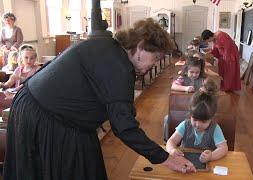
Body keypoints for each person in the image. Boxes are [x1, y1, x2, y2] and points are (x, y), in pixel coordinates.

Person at [3, 18, 196, 180]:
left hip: (37, 104)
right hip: (44, 115)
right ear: (140, 47)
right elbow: (124, 127)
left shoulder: (110, 46)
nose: (154, 64)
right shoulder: (119, 67)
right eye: (155, 58)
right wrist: (166, 158)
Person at [166, 90, 228, 163]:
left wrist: (211, 156)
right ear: (190, 115)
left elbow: (223, 148)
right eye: (195, 119)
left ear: (211, 118)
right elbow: (171, 141)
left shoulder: (215, 128)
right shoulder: (185, 125)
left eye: (204, 121)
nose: (198, 125)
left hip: (206, 163)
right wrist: (172, 150)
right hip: (184, 161)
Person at [0, 44, 39, 112]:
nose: (29, 60)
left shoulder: (37, 69)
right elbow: (7, 85)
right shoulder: (18, 69)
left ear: (35, 58)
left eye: (32, 58)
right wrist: (1, 85)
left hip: (27, 95)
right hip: (15, 93)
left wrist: (22, 79)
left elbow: (36, 84)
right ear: (21, 58)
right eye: (26, 57)